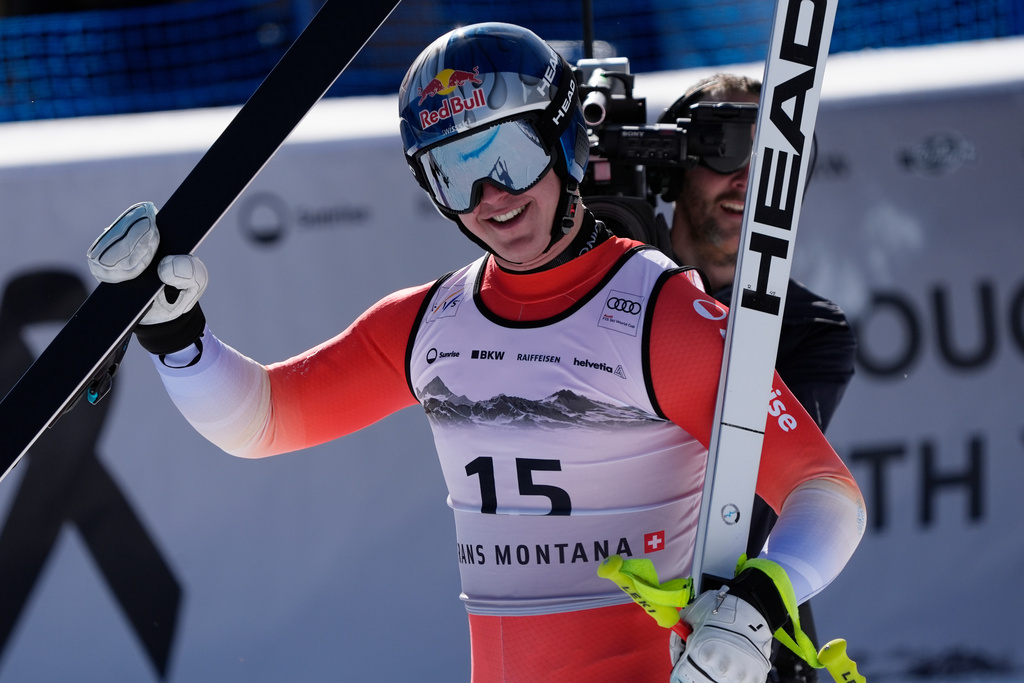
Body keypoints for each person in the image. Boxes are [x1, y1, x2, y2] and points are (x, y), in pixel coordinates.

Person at [86, 25, 865, 683]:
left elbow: (826, 494)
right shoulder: (430, 323)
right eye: (455, 171)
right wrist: (176, 335)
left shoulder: (662, 315)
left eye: (511, 155)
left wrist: (760, 603)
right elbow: (262, 420)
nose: (492, 195)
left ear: (563, 139)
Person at [652, 73, 858, 683]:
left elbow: (744, 480)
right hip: (608, 625)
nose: (746, 179)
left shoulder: (813, 330)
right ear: (675, 166)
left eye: (772, 160)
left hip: (740, 643)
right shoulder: (611, 292)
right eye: (725, 148)